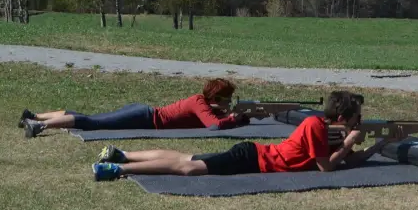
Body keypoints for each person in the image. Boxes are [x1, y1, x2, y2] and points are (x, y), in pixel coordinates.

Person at [90, 90, 401, 181]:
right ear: (345, 119)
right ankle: (120, 168)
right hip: (254, 158)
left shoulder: (323, 128)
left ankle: (123, 155)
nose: (361, 122)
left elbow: (348, 161)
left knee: (188, 159)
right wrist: (347, 143)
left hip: (253, 155)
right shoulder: (316, 127)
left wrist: (380, 145)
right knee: (188, 167)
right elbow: (328, 166)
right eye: (357, 118)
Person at [21, 78, 255, 138]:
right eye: (228, 99)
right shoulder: (199, 102)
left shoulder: (204, 105)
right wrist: (233, 119)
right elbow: (213, 126)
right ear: (220, 97)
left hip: (143, 113)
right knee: (92, 123)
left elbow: (213, 118)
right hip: (145, 117)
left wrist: (235, 117)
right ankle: (39, 124)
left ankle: (34, 116)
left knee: (90, 118)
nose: (229, 103)